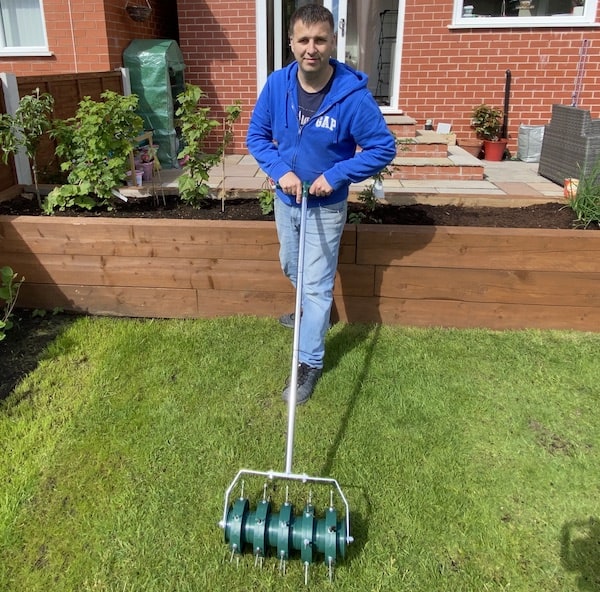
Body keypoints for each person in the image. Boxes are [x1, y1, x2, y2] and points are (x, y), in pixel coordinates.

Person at [246, 3, 396, 405]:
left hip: (326, 206)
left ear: (332, 42)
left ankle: (308, 361)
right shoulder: (277, 85)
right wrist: (280, 172)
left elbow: (383, 147)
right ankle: (313, 313)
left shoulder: (351, 97)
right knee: (291, 265)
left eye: (320, 40)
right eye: (303, 40)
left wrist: (335, 175)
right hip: (287, 200)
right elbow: (257, 136)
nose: (311, 48)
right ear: (291, 43)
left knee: (315, 285)